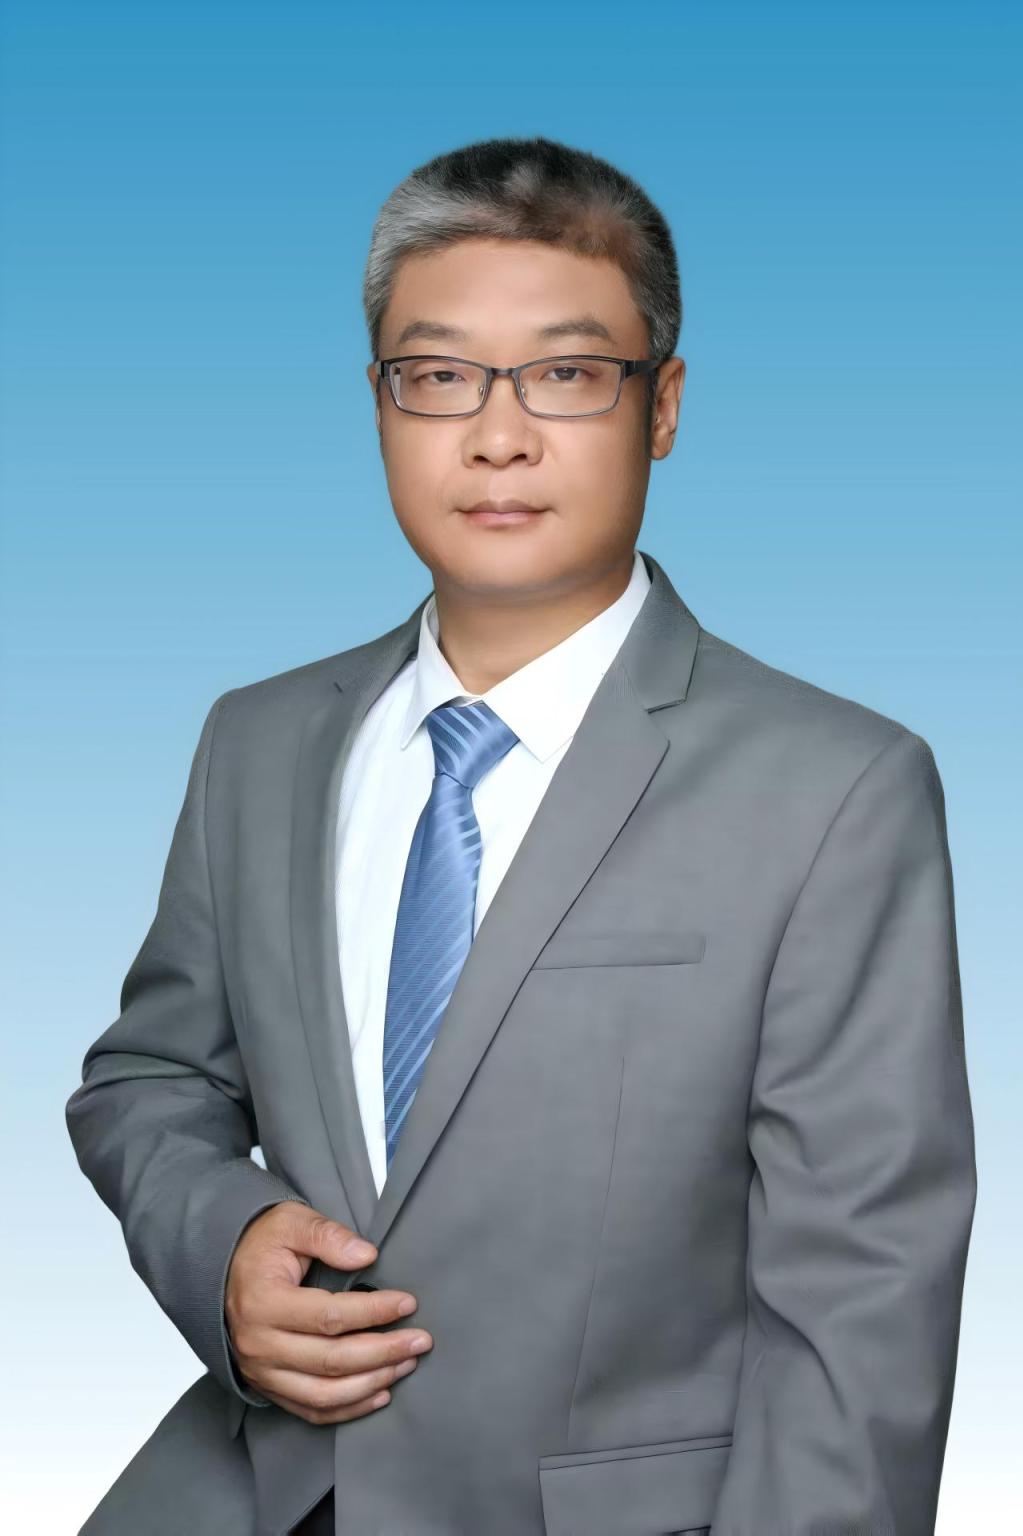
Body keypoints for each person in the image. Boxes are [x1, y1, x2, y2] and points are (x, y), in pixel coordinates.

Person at [66, 135, 977, 1536]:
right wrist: (222, 1243)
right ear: (380, 405)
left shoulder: (837, 790)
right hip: (254, 1488)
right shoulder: (257, 742)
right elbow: (149, 1077)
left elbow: (864, 1297)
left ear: (662, 406)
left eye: (566, 373)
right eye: (438, 377)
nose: (497, 437)